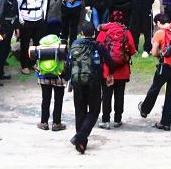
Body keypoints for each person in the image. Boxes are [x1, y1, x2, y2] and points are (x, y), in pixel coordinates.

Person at [67, 21, 115, 154]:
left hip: (77, 83)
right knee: (94, 111)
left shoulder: (74, 45)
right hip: (94, 82)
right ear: (94, 33)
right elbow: (110, 62)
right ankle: (80, 138)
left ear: (81, 33)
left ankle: (81, 143)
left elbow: (68, 64)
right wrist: (110, 74)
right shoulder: (98, 46)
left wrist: (69, 79)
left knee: (80, 111)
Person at [138, 13, 171, 131]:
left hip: (165, 66)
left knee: (155, 88)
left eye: (156, 24)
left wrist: (161, 54)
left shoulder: (160, 33)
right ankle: (166, 123)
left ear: (159, 23)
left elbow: (154, 52)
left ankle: (144, 109)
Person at [96, 10, 136, 129]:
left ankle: (106, 120)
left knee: (106, 95)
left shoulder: (104, 31)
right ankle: (118, 119)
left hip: (107, 70)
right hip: (122, 70)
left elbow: (98, 47)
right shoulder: (126, 32)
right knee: (119, 95)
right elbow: (132, 49)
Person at [36, 18, 67, 132]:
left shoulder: (42, 41)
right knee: (58, 99)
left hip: (44, 75)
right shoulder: (62, 42)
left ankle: (44, 122)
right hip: (59, 75)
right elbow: (66, 58)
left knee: (45, 99)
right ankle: (56, 123)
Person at [16, 0, 48, 74]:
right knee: (25, 43)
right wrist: (21, 20)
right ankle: (24, 65)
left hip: (38, 19)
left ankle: (34, 63)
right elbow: (17, 6)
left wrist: (43, 15)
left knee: (37, 43)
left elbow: (45, 2)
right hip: (26, 20)